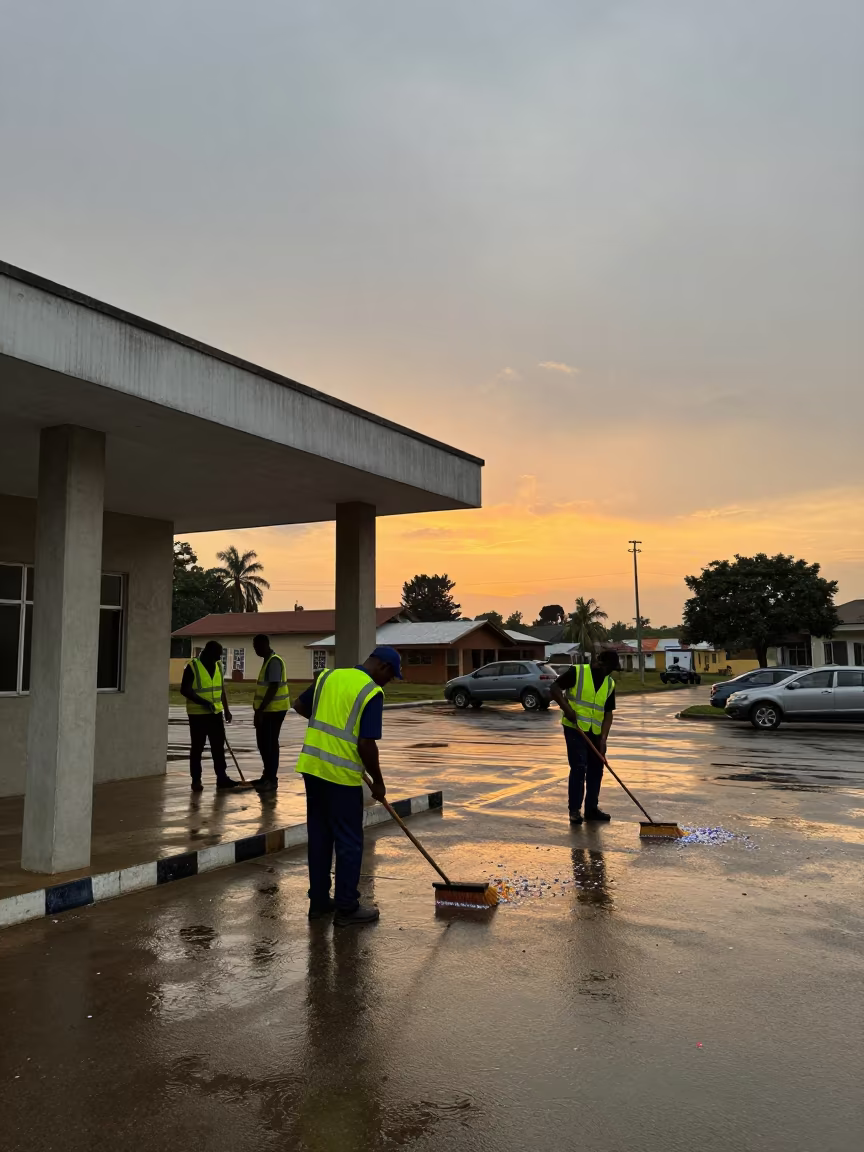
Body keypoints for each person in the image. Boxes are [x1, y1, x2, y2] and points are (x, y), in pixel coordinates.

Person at [293, 646, 400, 927]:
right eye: (391, 677)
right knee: (349, 842)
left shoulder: (329, 677)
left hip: (313, 769)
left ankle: (318, 903)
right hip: (341, 777)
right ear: (384, 668)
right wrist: (379, 782)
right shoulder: (371, 692)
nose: (388, 682)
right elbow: (366, 743)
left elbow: (299, 705)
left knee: (319, 837)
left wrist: (327, 728)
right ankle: (346, 908)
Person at [550, 649, 620, 824]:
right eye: (609, 667)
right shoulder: (578, 672)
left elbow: (608, 713)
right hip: (575, 728)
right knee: (579, 767)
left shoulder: (609, 683)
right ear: (600, 663)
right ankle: (574, 811)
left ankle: (591, 809)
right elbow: (554, 688)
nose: (610, 672)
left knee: (597, 768)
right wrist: (567, 710)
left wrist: (603, 739)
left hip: (595, 733)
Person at [180, 641, 241, 792]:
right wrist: (203, 702)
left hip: (215, 713)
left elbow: (221, 690)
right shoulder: (192, 666)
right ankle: (196, 780)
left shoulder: (218, 665)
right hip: (198, 715)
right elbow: (185, 690)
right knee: (197, 748)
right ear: (207, 652)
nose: (219, 657)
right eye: (217, 654)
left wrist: (226, 710)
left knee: (218, 747)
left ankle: (222, 777)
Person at [250, 634, 291, 792]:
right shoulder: (268, 661)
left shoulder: (274, 662)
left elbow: (273, 687)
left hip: (273, 710)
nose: (255, 650)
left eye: (257, 647)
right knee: (263, 743)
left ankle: (271, 779)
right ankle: (267, 775)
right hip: (268, 710)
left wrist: (260, 710)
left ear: (265, 645)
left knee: (269, 744)